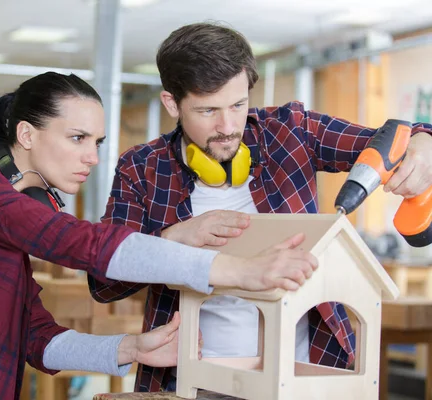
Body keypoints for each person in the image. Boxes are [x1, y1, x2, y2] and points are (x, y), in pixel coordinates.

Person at [0, 72, 319, 400]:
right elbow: (82, 244)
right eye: (77, 138)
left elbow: (38, 340)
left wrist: (131, 349)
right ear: (26, 135)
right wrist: (242, 271)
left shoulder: (7, 218)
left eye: (97, 143)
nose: (92, 157)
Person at [89, 22, 432, 392]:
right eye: (207, 111)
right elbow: (103, 284)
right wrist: (168, 241)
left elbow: (393, 140)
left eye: (238, 104)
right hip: (187, 378)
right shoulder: (140, 167)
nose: (227, 126)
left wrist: (423, 141)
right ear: (172, 103)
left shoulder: (292, 131)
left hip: (305, 371)